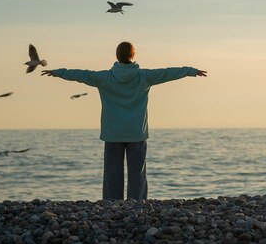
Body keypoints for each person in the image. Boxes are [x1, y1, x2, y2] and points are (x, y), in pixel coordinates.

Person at [41, 41, 207, 200]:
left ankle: (112, 202)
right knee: (137, 172)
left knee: (112, 172)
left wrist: (58, 72)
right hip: (136, 132)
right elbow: (167, 73)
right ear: (133, 55)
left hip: (113, 132)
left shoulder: (105, 77)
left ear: (117, 56)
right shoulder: (144, 76)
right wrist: (190, 71)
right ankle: (137, 201)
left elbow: (81, 75)